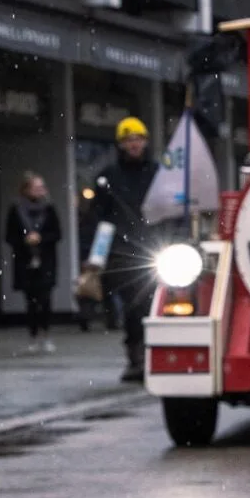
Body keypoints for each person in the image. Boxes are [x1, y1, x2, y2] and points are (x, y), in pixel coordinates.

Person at [87, 117, 160, 383]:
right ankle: (137, 357)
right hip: (123, 251)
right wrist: (95, 256)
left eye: (138, 139)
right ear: (121, 144)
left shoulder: (158, 174)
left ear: (145, 142)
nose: (134, 144)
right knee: (134, 305)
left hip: (154, 246)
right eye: (128, 140)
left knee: (154, 305)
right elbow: (98, 218)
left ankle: (153, 354)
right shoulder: (108, 177)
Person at [6, 173, 63, 355]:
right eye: (36, 187)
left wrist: (41, 238)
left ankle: (45, 335)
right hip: (25, 261)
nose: (40, 191)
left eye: (42, 187)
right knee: (30, 300)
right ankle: (32, 335)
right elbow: (8, 236)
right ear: (26, 189)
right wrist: (24, 240)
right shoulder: (16, 209)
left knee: (45, 298)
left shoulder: (49, 209)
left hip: (45, 260)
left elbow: (57, 234)